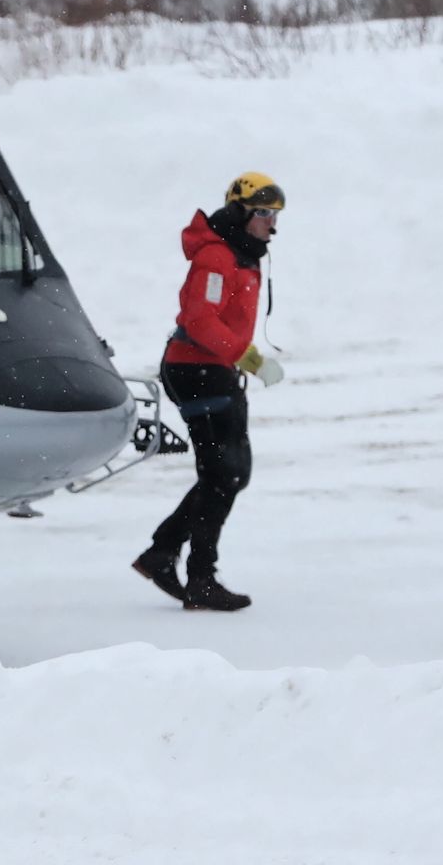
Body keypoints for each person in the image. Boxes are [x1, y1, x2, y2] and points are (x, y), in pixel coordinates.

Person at [131, 172, 287, 612]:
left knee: (229, 474)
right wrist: (247, 357)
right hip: (196, 369)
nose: (271, 223)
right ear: (240, 212)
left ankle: (163, 552)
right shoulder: (218, 257)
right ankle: (198, 575)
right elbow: (200, 320)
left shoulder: (240, 253)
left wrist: (239, 358)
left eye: (275, 215)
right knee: (224, 474)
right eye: (263, 213)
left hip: (213, 368)